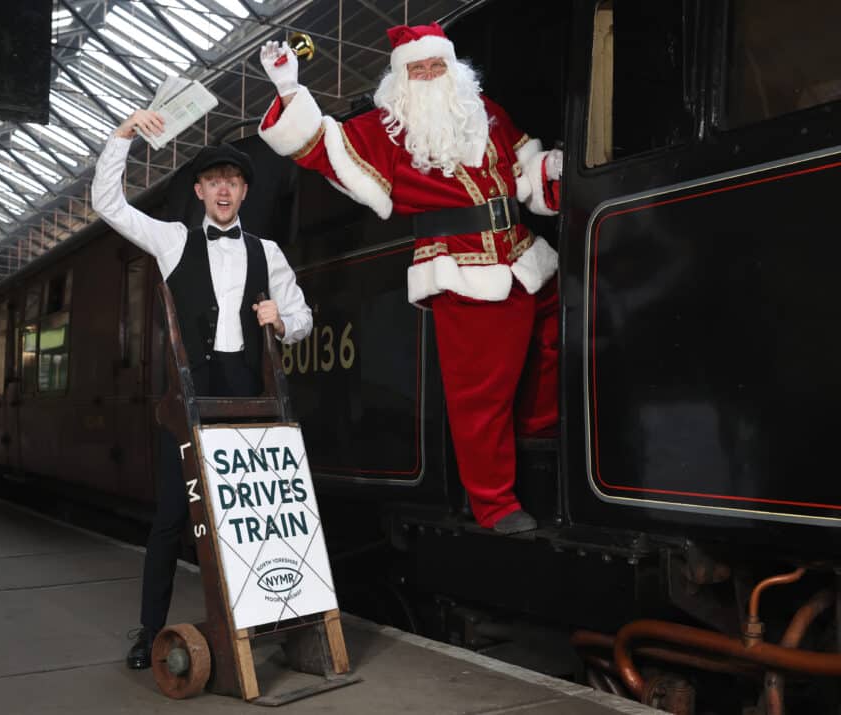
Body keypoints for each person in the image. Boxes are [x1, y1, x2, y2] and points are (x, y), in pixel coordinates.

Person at [257, 22, 562, 536]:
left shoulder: (485, 112)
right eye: (416, 68)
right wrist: (289, 89)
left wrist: (556, 170)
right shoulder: (388, 127)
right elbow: (320, 147)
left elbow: (523, 172)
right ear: (401, 77)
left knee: (554, 343)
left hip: (522, 255)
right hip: (463, 271)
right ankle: (494, 504)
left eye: (434, 65)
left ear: (452, 68)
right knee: (480, 398)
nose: (426, 74)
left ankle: (535, 437)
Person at [90, 109, 313, 669]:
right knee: (171, 517)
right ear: (198, 189)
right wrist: (122, 137)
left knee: (256, 517)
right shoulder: (171, 240)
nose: (222, 189)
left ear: (243, 193)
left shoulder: (269, 253)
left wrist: (282, 321)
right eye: (213, 180)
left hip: (249, 394)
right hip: (187, 396)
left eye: (232, 181)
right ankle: (148, 631)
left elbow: (303, 317)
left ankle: (270, 622)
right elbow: (108, 206)